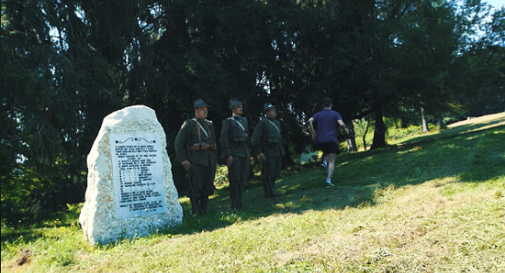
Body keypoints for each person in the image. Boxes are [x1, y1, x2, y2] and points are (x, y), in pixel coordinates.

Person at [174, 98, 217, 216]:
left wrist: (214, 160)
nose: (205, 111)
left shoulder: (209, 124)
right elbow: (178, 142)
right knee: (196, 187)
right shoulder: (189, 124)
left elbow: (213, 144)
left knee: (208, 186)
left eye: (206, 109)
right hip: (196, 160)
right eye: (202, 109)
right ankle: (196, 212)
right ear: (196, 111)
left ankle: (204, 211)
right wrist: (183, 159)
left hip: (209, 160)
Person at [307, 97, 349, 188]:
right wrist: (345, 128)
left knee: (326, 151)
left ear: (322, 106)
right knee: (332, 161)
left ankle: (324, 163)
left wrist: (313, 132)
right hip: (331, 139)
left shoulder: (318, 114)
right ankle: (328, 181)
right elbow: (341, 124)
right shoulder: (335, 114)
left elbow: (309, 120)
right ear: (331, 105)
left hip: (320, 140)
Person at [220, 99, 251, 210]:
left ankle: (240, 202)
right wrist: (228, 154)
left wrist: (249, 151)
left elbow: (247, 136)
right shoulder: (228, 121)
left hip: (244, 152)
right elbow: (224, 138)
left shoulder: (244, 120)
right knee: (235, 179)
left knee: (242, 178)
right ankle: (234, 203)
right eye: (239, 107)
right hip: (234, 152)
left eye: (242, 106)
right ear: (233, 109)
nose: (241, 108)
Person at [251, 103, 285, 198]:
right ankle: (268, 193)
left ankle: (272, 191)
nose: (274, 111)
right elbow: (255, 138)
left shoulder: (277, 123)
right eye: (272, 110)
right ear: (267, 112)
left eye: (274, 109)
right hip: (269, 151)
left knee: (275, 173)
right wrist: (259, 152)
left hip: (277, 150)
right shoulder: (263, 122)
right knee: (268, 173)